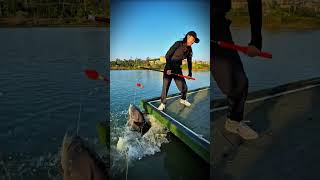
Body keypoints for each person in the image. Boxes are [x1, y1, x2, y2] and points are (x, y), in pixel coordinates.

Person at [211, 0, 263, 140]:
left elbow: (254, 3)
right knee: (232, 84)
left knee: (239, 82)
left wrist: (256, 40)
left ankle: (233, 122)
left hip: (219, 28)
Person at [158, 31, 199, 111]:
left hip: (177, 69)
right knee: (165, 87)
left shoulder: (190, 50)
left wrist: (190, 73)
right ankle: (163, 103)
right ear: (188, 36)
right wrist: (169, 68)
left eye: (194, 40)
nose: (193, 42)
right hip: (169, 67)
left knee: (184, 87)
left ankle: (183, 99)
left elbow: (189, 62)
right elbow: (168, 55)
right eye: (192, 39)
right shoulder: (178, 44)